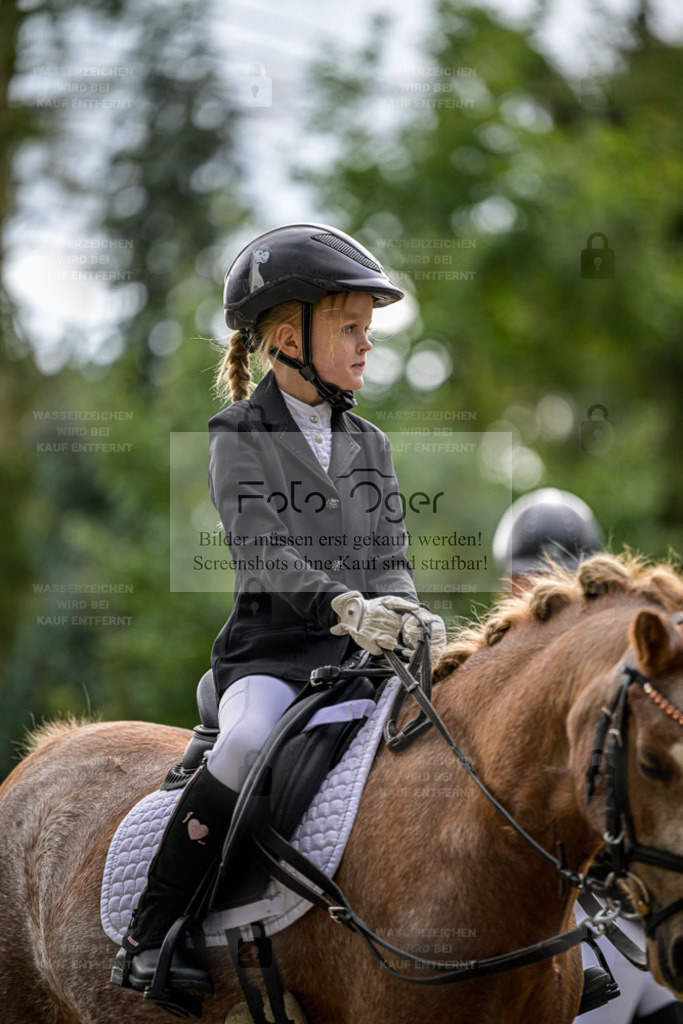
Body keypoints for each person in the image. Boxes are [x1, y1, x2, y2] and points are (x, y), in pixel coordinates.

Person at [111, 223, 446, 1003]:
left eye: (369, 329)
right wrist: (341, 605)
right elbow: (261, 550)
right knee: (249, 741)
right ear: (289, 337)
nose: (367, 346)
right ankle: (154, 929)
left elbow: (389, 548)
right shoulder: (237, 435)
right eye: (351, 328)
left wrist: (404, 609)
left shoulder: (369, 442)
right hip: (270, 658)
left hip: (360, 656)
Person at [493, 489, 683, 1023]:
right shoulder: (506, 684)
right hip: (574, 922)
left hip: (645, 901)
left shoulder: (626, 670)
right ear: (512, 586)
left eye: (570, 583)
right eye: (534, 583)